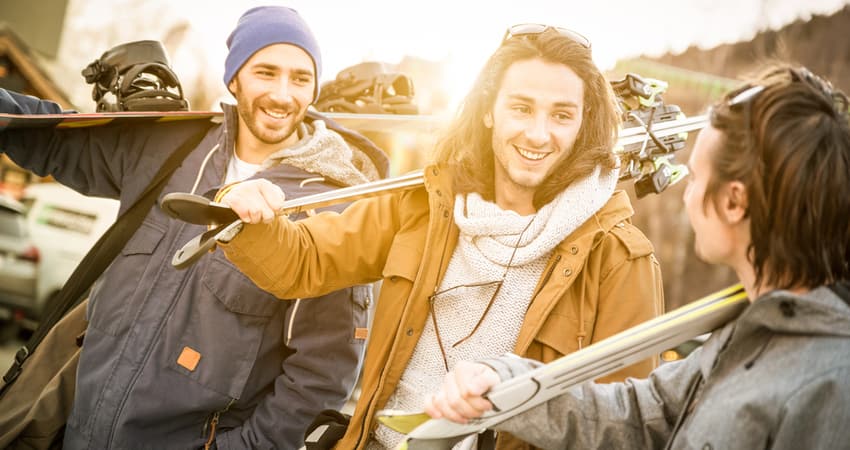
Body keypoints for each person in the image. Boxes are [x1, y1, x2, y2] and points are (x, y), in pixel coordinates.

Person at [218, 25, 664, 449]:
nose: (538, 134)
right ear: (489, 109)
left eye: (561, 115)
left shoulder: (620, 258)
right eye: (521, 108)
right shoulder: (427, 204)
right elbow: (305, 260)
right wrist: (249, 211)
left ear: (583, 123)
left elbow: (623, 427)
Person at [0, 6, 389, 449]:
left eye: (300, 78)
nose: (283, 95)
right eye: (266, 72)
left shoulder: (331, 207)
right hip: (83, 434)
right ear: (234, 78)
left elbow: (320, 379)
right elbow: (48, 136)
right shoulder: (170, 151)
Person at [424, 63, 850, 450]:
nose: (687, 193)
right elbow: (640, 414)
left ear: (734, 202)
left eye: (697, 177)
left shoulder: (829, 384)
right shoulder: (750, 331)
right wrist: (507, 383)